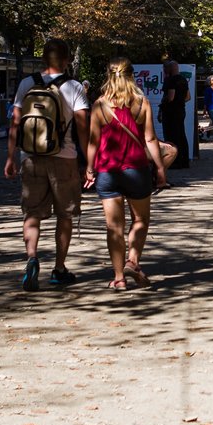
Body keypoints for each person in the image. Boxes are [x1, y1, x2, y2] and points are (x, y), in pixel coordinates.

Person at [3, 39, 90, 291]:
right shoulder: (74, 87)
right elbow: (82, 128)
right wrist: (88, 162)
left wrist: (10, 157)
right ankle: (59, 269)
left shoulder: (26, 84)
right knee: (65, 215)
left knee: (32, 213)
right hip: (65, 158)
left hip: (31, 157)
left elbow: (15, 123)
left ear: (43, 59)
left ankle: (32, 258)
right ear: (67, 60)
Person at [85, 57, 168, 289]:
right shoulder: (142, 103)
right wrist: (160, 168)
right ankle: (133, 260)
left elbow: (93, 141)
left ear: (108, 76)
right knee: (140, 219)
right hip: (136, 170)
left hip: (107, 172)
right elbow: (150, 138)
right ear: (132, 75)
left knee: (114, 227)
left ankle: (119, 277)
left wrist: (89, 169)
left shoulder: (99, 105)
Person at [160, 59, 191, 169]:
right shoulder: (183, 80)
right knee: (181, 135)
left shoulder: (170, 80)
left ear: (170, 69)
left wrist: (162, 106)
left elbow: (170, 97)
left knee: (171, 136)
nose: (164, 70)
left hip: (170, 112)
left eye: (166, 68)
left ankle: (175, 161)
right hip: (181, 110)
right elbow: (188, 97)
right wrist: (180, 101)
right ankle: (185, 160)